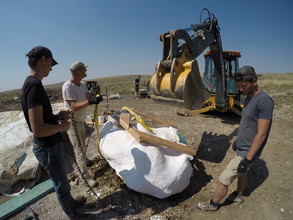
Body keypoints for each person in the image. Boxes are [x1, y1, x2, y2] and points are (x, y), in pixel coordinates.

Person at [196, 66, 274, 211]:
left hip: (248, 151)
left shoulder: (264, 101)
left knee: (223, 180)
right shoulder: (249, 98)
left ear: (254, 81)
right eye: (238, 86)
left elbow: (262, 133)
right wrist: (238, 141)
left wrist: (248, 159)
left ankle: (213, 204)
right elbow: (247, 124)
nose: (240, 89)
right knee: (242, 173)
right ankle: (238, 194)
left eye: (244, 86)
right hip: (242, 147)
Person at [21, 46, 85, 220]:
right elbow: (38, 129)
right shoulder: (34, 86)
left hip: (50, 146)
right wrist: (61, 127)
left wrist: (56, 116)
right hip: (47, 147)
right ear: (43, 60)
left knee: (63, 182)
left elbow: (41, 119)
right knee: (61, 187)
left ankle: (71, 203)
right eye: (51, 63)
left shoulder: (32, 84)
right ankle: (74, 216)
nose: (51, 68)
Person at [62, 61, 103, 188]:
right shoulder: (67, 87)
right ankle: (85, 177)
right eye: (84, 69)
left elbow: (88, 96)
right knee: (79, 149)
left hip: (81, 120)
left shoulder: (82, 84)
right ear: (78, 71)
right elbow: (73, 106)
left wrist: (94, 95)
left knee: (82, 144)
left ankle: (86, 161)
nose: (86, 71)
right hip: (72, 122)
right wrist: (91, 102)